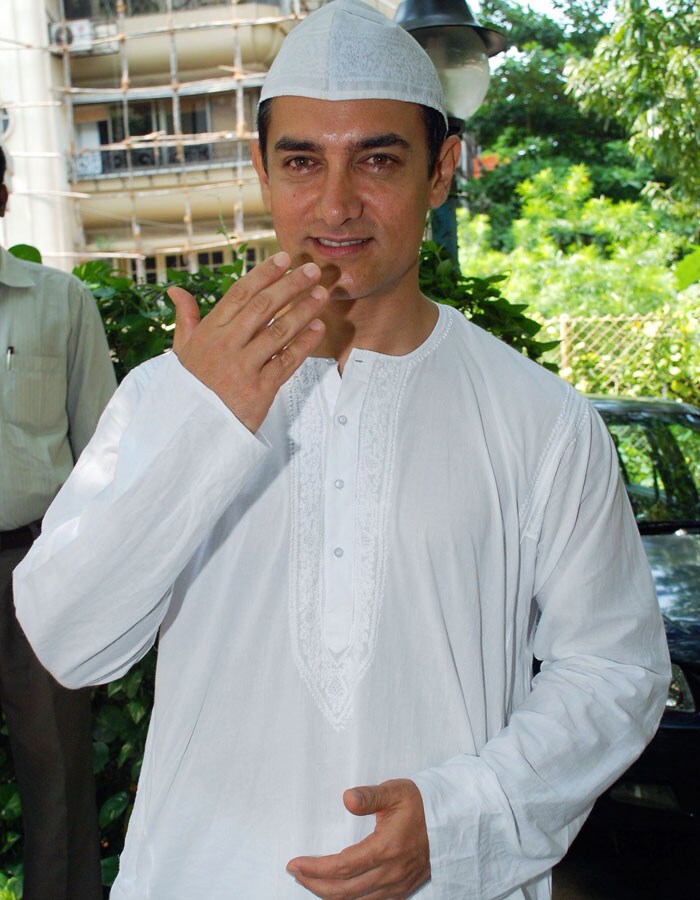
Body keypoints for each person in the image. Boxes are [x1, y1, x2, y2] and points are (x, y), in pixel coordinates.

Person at [13, 3, 670, 899]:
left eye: (377, 159)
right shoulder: (170, 395)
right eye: (301, 162)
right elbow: (69, 641)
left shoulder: (540, 420)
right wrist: (209, 421)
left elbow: (615, 668)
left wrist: (463, 815)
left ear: (442, 172)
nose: (335, 204)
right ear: (261, 172)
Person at [0, 145, 116, 899]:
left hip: (35, 566)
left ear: (2, 194)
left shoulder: (61, 300)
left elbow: (106, 452)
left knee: (58, 774)